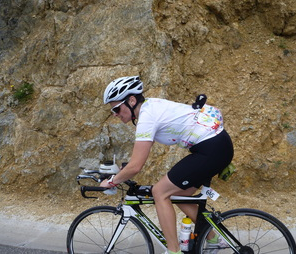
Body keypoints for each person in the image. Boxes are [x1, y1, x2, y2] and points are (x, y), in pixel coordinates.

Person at [100, 76, 234, 254]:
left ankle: (173, 251)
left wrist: (111, 182)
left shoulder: (147, 116)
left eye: (117, 108)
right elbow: (139, 157)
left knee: (160, 192)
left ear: (131, 100)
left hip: (211, 149)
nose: (115, 114)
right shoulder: (150, 107)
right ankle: (212, 239)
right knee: (178, 194)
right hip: (216, 146)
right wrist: (123, 173)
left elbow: (136, 166)